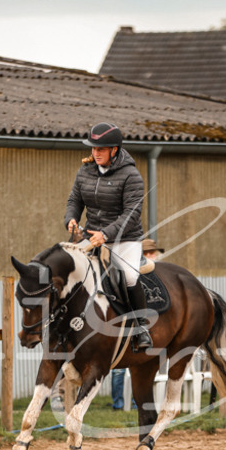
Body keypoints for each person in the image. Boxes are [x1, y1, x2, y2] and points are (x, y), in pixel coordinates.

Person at [65, 122, 152, 351]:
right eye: (93, 149)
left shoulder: (131, 175)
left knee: (129, 277)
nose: (95, 153)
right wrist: (71, 220)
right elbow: (75, 200)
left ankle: (141, 327)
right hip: (92, 235)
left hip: (124, 238)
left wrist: (106, 234)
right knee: (68, 269)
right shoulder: (85, 170)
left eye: (101, 149)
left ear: (114, 150)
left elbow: (131, 214)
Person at [110, 238, 164, 409]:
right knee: (119, 370)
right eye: (146, 253)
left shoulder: (159, 278)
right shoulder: (124, 274)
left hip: (145, 326)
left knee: (141, 366)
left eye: (151, 252)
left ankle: (135, 402)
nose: (150, 255)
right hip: (124, 325)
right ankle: (118, 404)